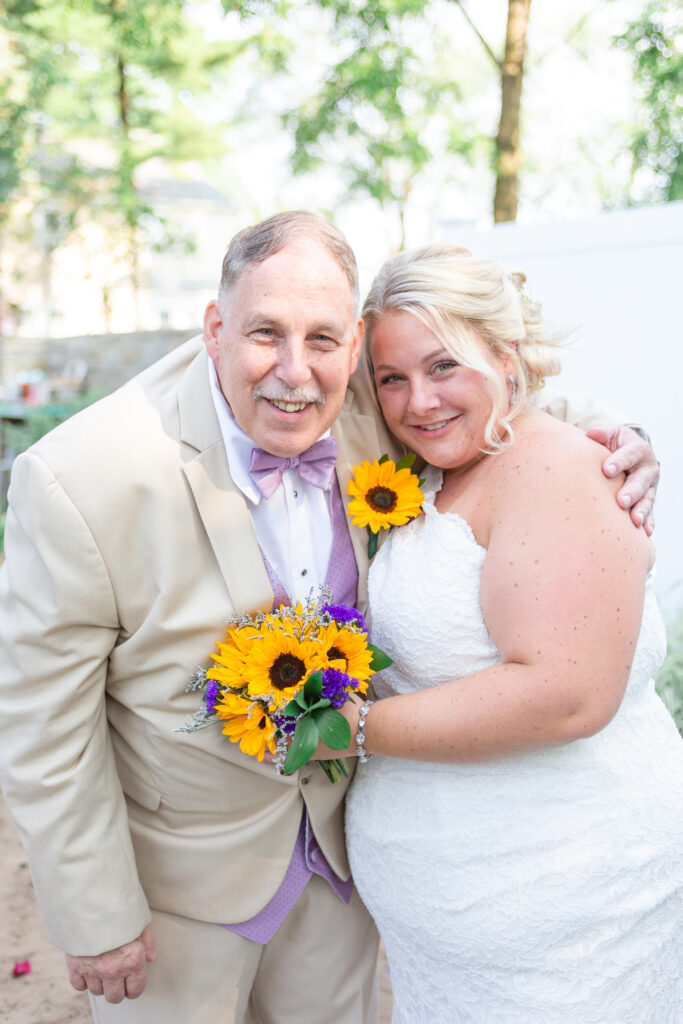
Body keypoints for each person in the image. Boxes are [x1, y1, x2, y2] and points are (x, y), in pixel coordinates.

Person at [0, 213, 660, 1024]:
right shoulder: (80, 477)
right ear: (214, 328)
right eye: (263, 333)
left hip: (345, 871)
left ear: (352, 345)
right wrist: (94, 914)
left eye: (322, 340)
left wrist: (622, 437)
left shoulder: (374, 402)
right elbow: (44, 724)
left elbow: (492, 393)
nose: (293, 371)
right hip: (178, 889)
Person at [333, 244, 683, 1023]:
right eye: (391, 378)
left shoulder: (562, 471)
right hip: (452, 936)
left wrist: (347, 728)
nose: (417, 401)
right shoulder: (425, 469)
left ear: (506, 354)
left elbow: (563, 696)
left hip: (570, 914)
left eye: (443, 366)